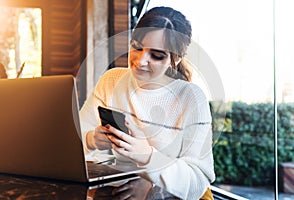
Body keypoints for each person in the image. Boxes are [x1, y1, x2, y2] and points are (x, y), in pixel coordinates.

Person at [80, 6, 215, 200]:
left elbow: (197, 180)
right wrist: (92, 140)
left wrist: (149, 160)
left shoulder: (191, 98)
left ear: (175, 59)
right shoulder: (111, 80)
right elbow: (76, 145)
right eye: (136, 46)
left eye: (156, 55)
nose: (140, 60)